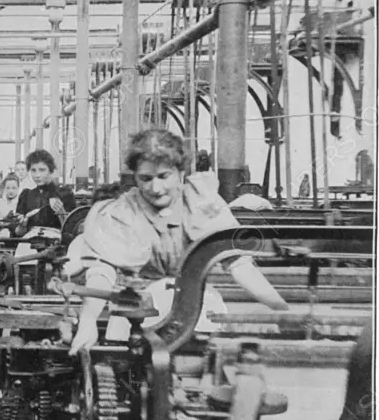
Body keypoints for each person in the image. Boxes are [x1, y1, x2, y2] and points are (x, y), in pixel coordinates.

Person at [64, 129, 288, 355]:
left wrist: (282, 310)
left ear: (180, 172)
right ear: (135, 176)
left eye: (163, 176)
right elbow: (101, 272)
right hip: (135, 313)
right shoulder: (122, 212)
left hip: (196, 310)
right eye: (146, 179)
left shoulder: (200, 202)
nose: (155, 188)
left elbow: (240, 266)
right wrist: (88, 320)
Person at [13, 150, 76, 236]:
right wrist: (22, 225)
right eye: (33, 170)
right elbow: (19, 234)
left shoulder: (65, 194)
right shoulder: (26, 195)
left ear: (51, 170)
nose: (37, 175)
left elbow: (72, 231)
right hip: (30, 241)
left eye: (42, 170)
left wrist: (61, 212)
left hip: (56, 242)